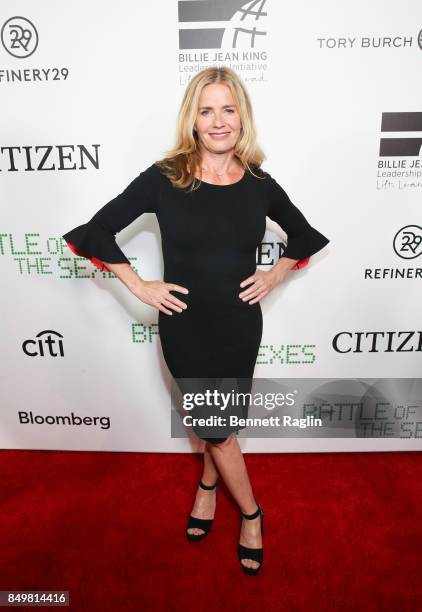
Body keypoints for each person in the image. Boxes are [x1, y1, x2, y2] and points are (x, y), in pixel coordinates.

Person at [62, 66, 330, 576]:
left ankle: (208, 486)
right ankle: (253, 514)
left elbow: (306, 236)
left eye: (228, 109)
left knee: (218, 427)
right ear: (193, 118)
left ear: (242, 116)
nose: (219, 121)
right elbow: (95, 230)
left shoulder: (258, 184)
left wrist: (273, 275)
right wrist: (139, 284)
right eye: (207, 110)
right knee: (219, 429)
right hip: (185, 326)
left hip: (238, 326)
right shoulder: (165, 178)